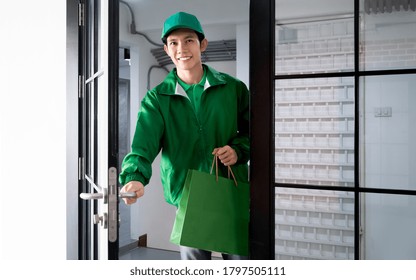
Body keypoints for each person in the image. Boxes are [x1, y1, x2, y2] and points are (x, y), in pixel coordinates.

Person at [119, 11, 250, 260]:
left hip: (231, 192)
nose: (182, 48)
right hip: (188, 197)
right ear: (167, 50)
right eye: (174, 43)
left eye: (189, 40)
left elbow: (254, 132)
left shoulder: (233, 89)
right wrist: (135, 176)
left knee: (242, 264)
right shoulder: (156, 99)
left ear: (202, 44)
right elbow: (142, 146)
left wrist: (238, 150)